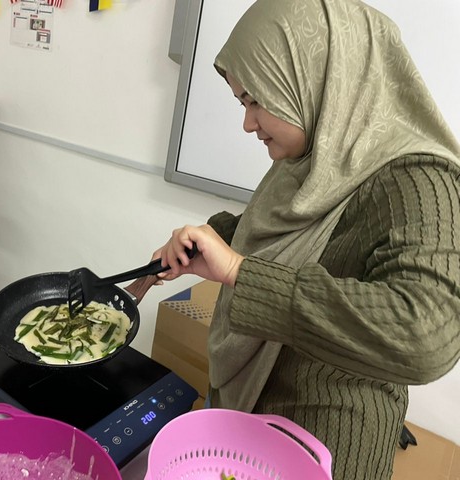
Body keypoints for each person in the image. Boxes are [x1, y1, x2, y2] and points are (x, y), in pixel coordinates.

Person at [133, 0, 460, 478]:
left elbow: (427, 334)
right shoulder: (313, 158)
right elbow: (284, 229)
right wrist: (209, 239)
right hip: (252, 416)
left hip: (327, 439)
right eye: (243, 103)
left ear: (313, 76)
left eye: (256, 101)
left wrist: (240, 272)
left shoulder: (420, 182)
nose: (248, 123)